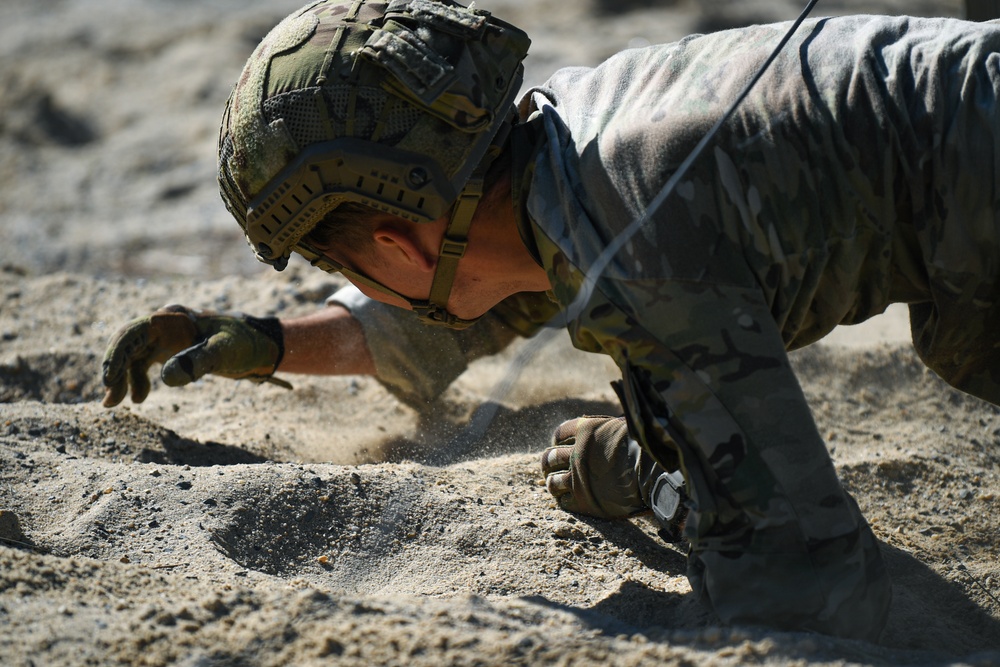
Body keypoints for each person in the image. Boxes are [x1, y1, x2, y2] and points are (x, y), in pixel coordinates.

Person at [100, 0, 1000, 642]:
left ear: (398, 245)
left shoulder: (631, 241)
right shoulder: (555, 159)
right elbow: (450, 319)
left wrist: (639, 472)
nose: (351, 278)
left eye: (340, 260)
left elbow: (807, 580)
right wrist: (270, 342)